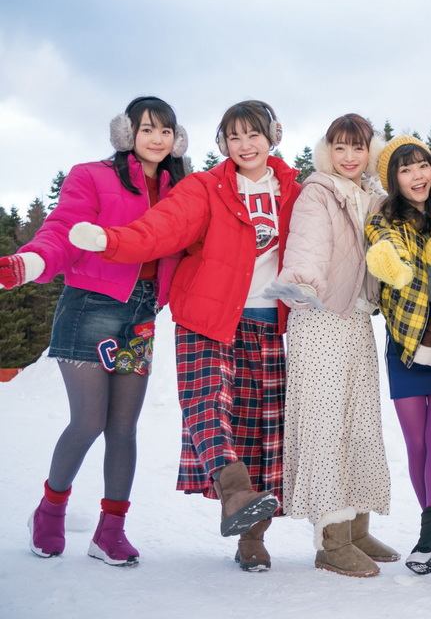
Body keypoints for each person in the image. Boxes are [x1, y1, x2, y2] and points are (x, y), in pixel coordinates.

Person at [68, 100, 299, 572]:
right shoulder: (206, 187)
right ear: (222, 144)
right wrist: (112, 241)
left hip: (266, 322)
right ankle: (235, 493)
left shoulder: (295, 190)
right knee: (207, 404)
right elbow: (162, 229)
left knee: (258, 431)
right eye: (233, 137)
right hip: (207, 317)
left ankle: (251, 537)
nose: (244, 145)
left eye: (253, 135)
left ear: (273, 136)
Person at [0, 97, 188, 567]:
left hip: (142, 313)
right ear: (127, 133)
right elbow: (63, 228)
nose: (157, 139)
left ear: (176, 138)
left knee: (123, 429)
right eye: (147, 129)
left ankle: (110, 532)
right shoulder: (92, 176)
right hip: (91, 307)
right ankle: (49, 511)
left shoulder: (181, 189)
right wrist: (33, 261)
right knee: (88, 421)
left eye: (165, 130)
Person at [271, 114, 398, 577]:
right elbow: (307, 246)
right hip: (320, 317)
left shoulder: (372, 196)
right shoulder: (319, 192)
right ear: (328, 151)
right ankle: (331, 539)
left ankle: (357, 528)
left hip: (357, 319)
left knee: (360, 422)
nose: (349, 156)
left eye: (358, 147)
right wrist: (303, 284)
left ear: (370, 152)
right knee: (326, 427)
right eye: (340, 147)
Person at [363, 134, 431, 576]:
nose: (417, 175)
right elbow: (385, 245)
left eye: (422, 165)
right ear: (394, 180)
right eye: (405, 170)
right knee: (417, 441)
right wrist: (392, 263)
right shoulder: (385, 219)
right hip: (406, 342)